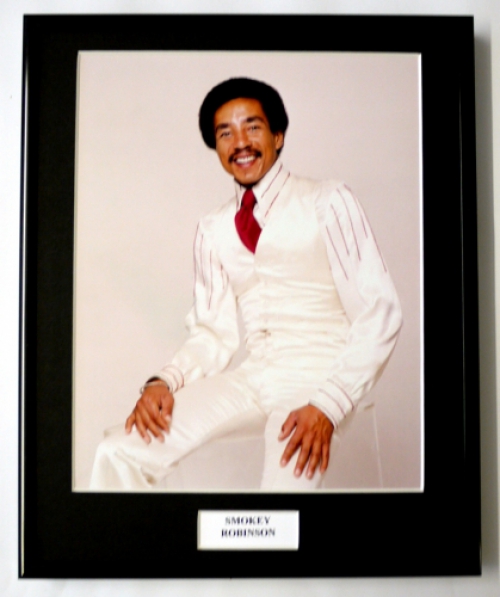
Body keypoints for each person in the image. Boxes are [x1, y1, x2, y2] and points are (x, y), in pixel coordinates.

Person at [90, 77, 402, 491]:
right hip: (253, 379)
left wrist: (330, 403)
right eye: (225, 133)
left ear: (278, 136)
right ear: (216, 146)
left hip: (320, 378)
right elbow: (212, 334)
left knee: (281, 496)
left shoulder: (327, 200)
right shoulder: (213, 228)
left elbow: (379, 312)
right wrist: (163, 381)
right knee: (118, 450)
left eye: (252, 127)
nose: (240, 143)